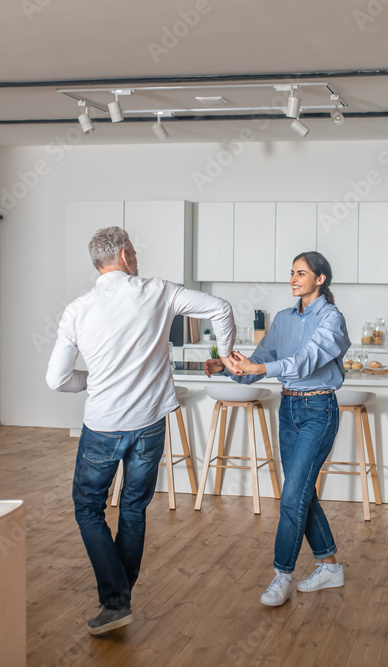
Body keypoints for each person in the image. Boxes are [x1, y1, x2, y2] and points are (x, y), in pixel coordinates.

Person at [47, 226, 238, 634]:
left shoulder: (77, 310)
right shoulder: (159, 290)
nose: (137, 256)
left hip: (103, 427)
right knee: (133, 509)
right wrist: (222, 357)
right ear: (124, 256)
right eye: (134, 250)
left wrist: (92, 383)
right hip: (150, 425)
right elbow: (221, 308)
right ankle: (119, 599)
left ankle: (116, 601)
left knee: (87, 508)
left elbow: (57, 379)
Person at [204, 251, 351, 606]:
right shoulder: (283, 319)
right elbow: (259, 360)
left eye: (302, 273)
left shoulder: (332, 318)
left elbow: (306, 361)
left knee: (292, 494)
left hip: (319, 409)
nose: (293, 279)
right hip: (289, 409)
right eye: (291, 273)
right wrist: (227, 367)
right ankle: (329, 565)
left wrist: (259, 370)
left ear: (321, 279)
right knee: (300, 492)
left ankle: (282, 575)